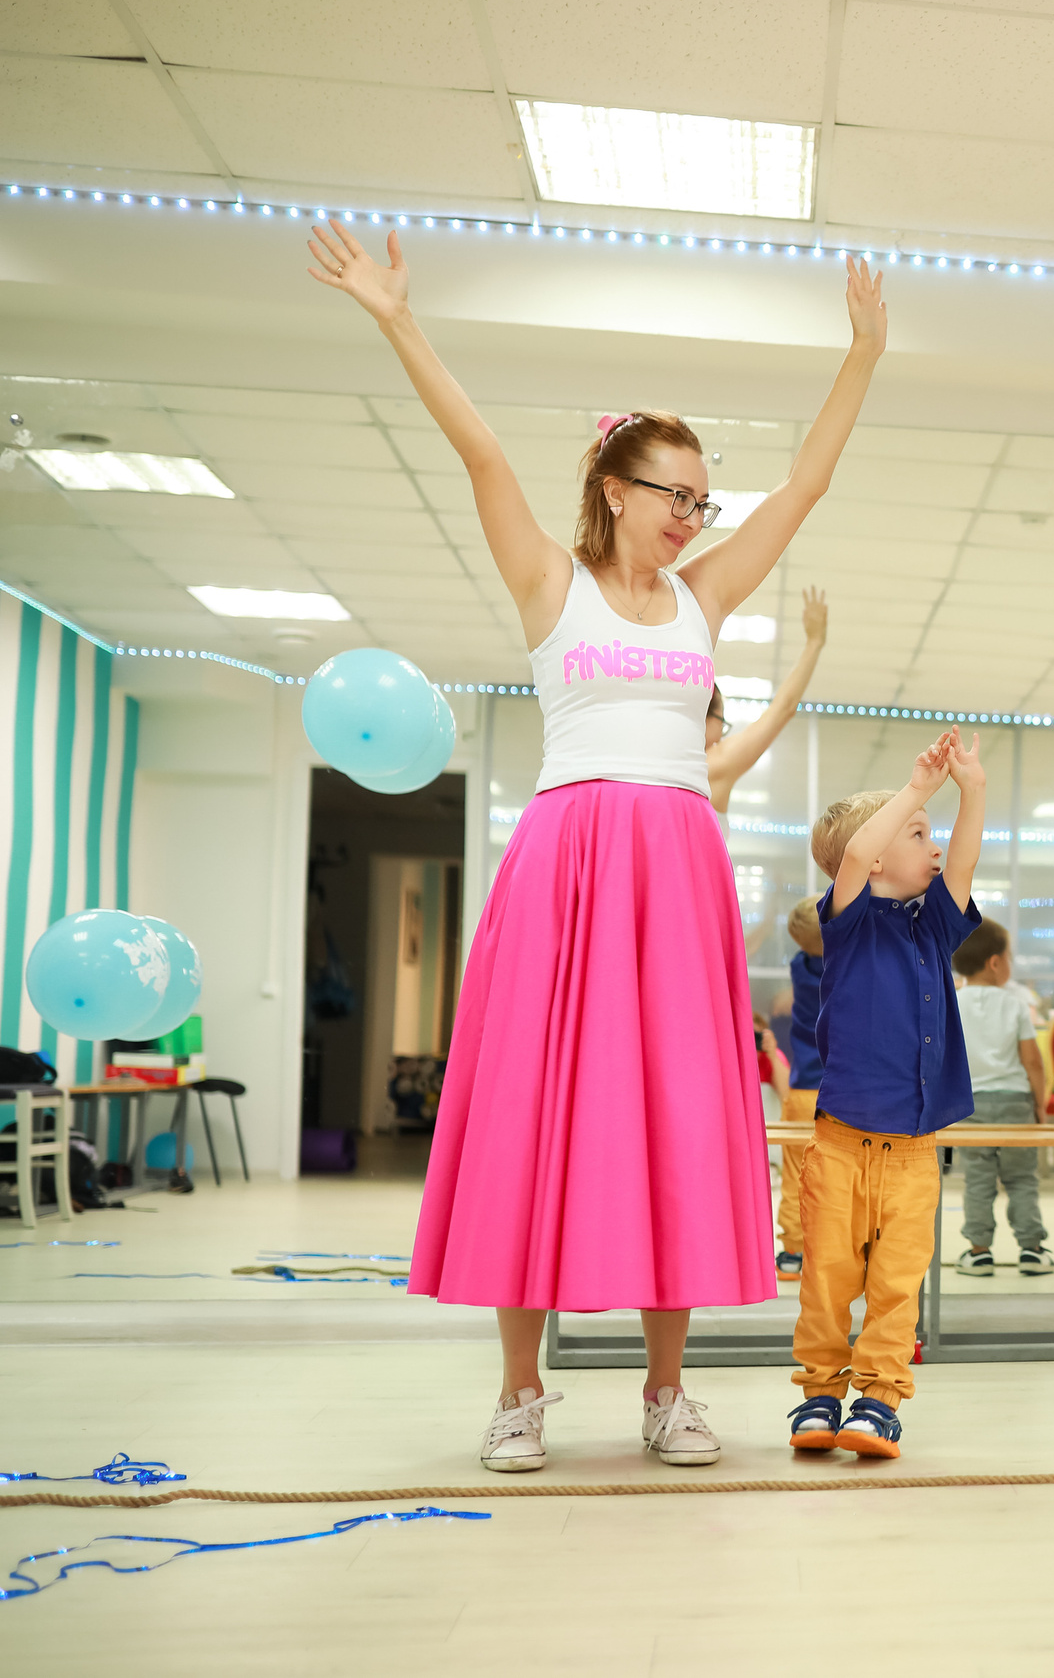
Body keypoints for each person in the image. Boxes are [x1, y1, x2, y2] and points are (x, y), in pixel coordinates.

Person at [307, 218, 888, 1473]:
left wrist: (863, 357)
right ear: (614, 488)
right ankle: (520, 1393)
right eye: (671, 493)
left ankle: (665, 1393)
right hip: (569, 861)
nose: (690, 515)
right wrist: (397, 317)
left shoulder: (706, 596)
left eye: (700, 497)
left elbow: (807, 486)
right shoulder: (547, 584)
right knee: (541, 1111)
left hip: (674, 866)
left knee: (674, 1110)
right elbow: (476, 447)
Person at [784, 732, 988, 1460]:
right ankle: (817, 1393)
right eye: (916, 834)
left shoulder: (932, 926)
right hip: (840, 1145)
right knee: (827, 1278)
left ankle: (877, 1400)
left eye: (929, 830)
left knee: (898, 1285)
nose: (933, 844)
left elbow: (961, 862)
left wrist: (970, 791)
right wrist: (912, 790)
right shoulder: (848, 921)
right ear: (871, 859)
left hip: (912, 1153)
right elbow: (854, 859)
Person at [951, 920, 1054, 1277]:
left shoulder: (951, 1003)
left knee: (977, 1180)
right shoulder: (1013, 1005)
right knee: (1022, 1179)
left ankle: (978, 1253)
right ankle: (1032, 1250)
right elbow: (1032, 1062)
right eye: (1009, 956)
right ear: (995, 962)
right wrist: (1039, 1105)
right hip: (1014, 1102)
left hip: (971, 1104)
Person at [707, 587, 828, 813]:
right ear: (703, 717)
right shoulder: (713, 764)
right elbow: (783, 708)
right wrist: (814, 642)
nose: (721, 738)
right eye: (722, 723)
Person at [774, 896, 825, 1282]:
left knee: (795, 1172)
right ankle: (831, 1248)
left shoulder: (798, 965)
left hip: (800, 1089)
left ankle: (792, 1250)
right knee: (835, 1174)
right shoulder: (845, 965)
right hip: (836, 1092)